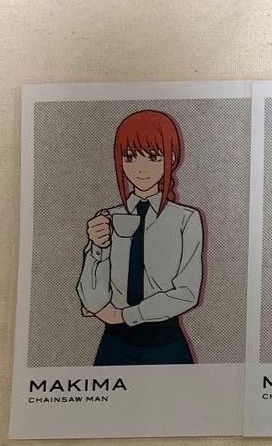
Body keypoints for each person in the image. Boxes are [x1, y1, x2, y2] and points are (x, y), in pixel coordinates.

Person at [78, 110, 203, 365]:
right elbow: (91, 299)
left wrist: (125, 315)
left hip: (166, 341)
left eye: (154, 157)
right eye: (130, 157)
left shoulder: (185, 219)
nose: (141, 169)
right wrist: (98, 249)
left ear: (171, 158)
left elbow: (188, 292)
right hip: (115, 342)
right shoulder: (109, 218)